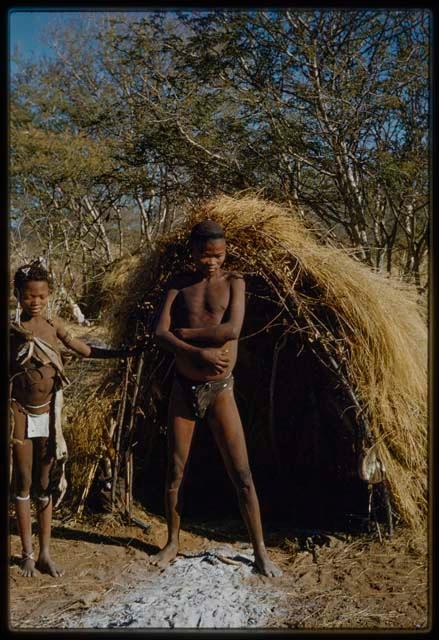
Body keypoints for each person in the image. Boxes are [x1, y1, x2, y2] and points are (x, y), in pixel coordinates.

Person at [152, 220, 282, 577]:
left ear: (225, 253)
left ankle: (260, 552)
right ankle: (173, 542)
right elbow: (161, 332)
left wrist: (190, 337)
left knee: (242, 473)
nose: (211, 261)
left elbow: (232, 330)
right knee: (175, 470)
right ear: (193, 251)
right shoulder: (179, 285)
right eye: (205, 254)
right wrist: (198, 355)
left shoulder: (234, 282)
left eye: (218, 255)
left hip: (220, 390)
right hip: (184, 388)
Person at [10, 260, 136, 578]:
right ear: (17, 294)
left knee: (44, 482)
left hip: (49, 415)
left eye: (40, 296)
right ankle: (26, 553)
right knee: (23, 482)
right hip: (20, 414)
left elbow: (83, 350)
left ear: (49, 295)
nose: (35, 302)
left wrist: (122, 353)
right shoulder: (13, 332)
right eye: (28, 296)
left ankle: (45, 553)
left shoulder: (54, 327)